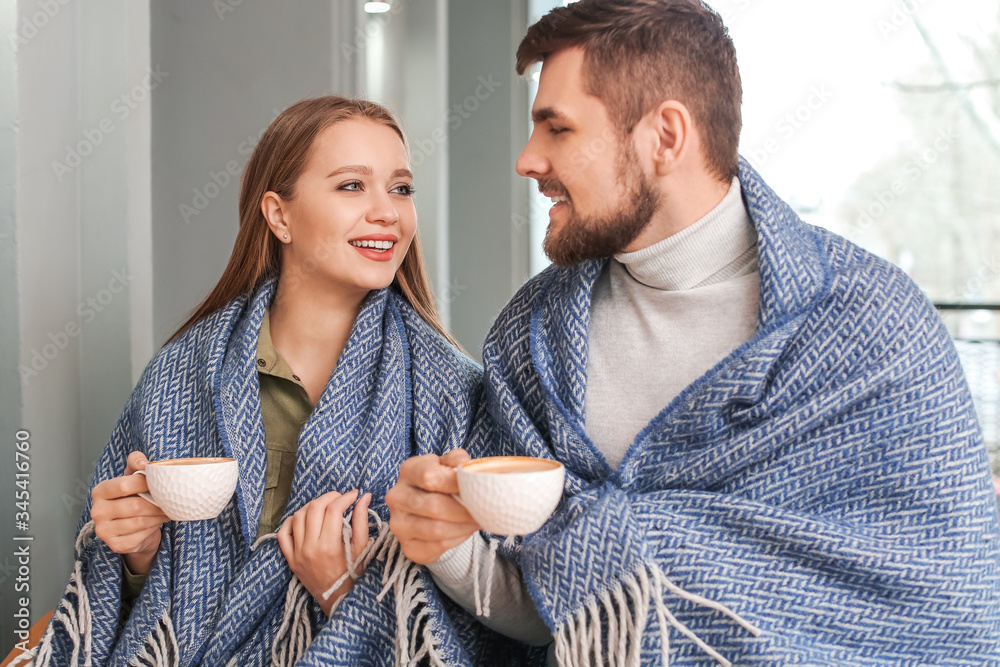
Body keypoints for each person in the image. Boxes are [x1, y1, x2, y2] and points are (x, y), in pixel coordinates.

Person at [386, 1, 1000, 665]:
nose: (528, 160)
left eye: (556, 128)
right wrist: (448, 546)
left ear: (666, 136)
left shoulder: (876, 325)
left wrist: (634, 542)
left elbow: (947, 607)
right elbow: (547, 613)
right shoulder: (530, 338)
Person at [18, 97, 534, 667]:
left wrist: (344, 593)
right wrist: (135, 556)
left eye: (402, 188)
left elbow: (503, 622)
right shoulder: (179, 374)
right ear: (278, 215)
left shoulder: (453, 391)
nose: (388, 212)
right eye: (351, 187)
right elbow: (106, 612)